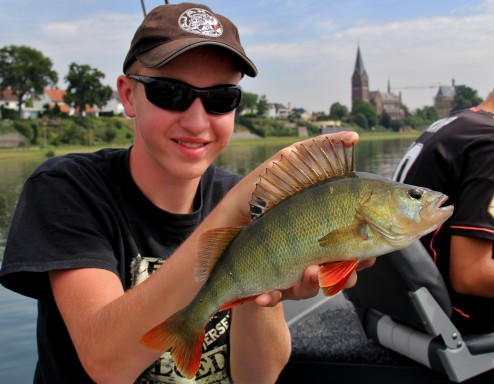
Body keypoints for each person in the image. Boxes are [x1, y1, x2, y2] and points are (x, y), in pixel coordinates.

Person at [0, 3, 373, 383]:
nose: (196, 122)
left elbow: (257, 378)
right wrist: (233, 212)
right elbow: (107, 366)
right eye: (170, 92)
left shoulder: (251, 203)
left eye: (220, 99)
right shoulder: (68, 189)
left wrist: (267, 283)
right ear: (128, 96)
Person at [393, 75, 494, 334]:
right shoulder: (493, 143)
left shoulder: (454, 124)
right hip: (460, 319)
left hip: (406, 310)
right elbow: (471, 274)